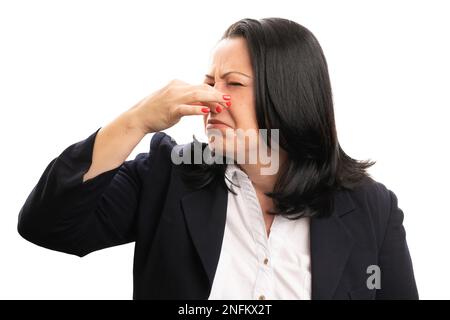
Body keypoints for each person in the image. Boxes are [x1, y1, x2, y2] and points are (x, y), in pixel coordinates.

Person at [17, 17, 418, 300]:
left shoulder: (373, 209)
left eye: (233, 84)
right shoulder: (168, 173)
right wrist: (136, 121)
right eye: (210, 82)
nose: (210, 99)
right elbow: (47, 225)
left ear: (287, 97)